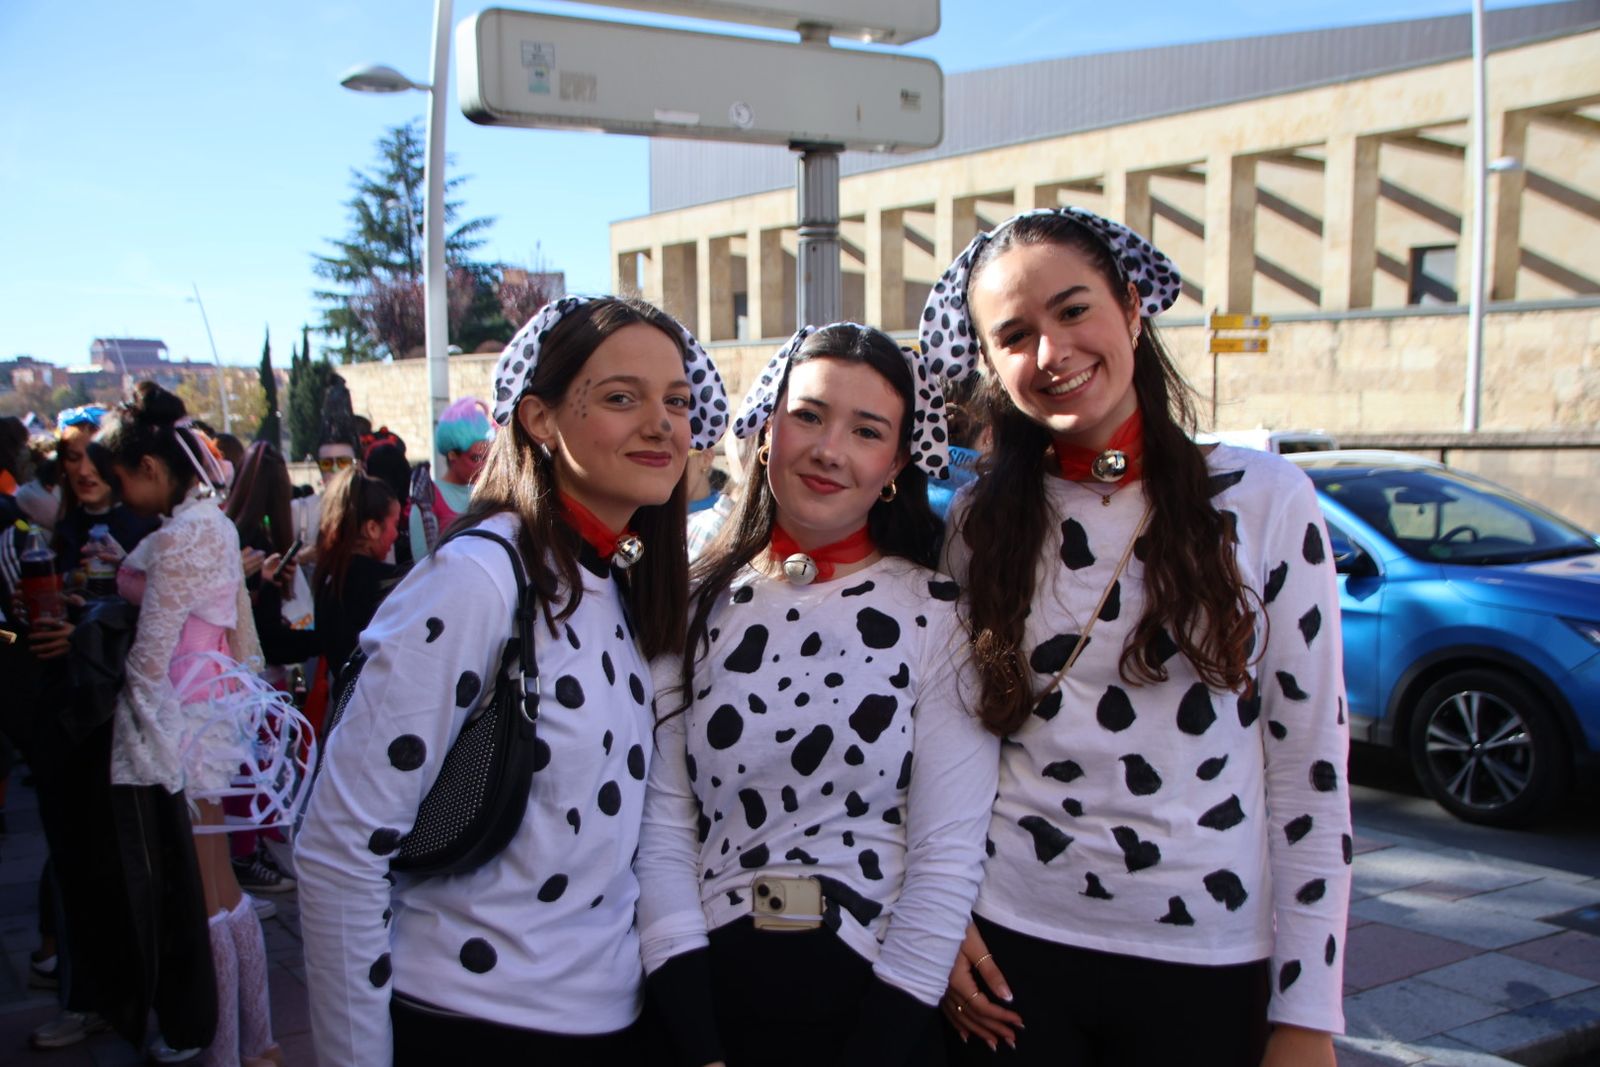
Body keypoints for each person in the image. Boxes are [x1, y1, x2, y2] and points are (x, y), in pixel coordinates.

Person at [921, 207, 1350, 1066]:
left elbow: (1310, 769)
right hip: (1012, 947)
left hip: (1206, 956)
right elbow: (954, 743)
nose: (1051, 353)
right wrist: (945, 919)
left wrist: (1307, 1011)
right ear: (991, 366)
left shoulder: (1266, 498)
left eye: (1073, 310)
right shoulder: (980, 520)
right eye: (1014, 335)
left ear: (1130, 307)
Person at [296, 296, 728, 1064]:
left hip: (609, 1021)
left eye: (678, 401)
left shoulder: (625, 585)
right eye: (623, 397)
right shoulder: (478, 580)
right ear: (538, 417)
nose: (662, 423)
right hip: (469, 1022)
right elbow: (340, 845)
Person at [637, 323, 997, 1067]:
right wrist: (700, 1046)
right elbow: (664, 832)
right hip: (707, 998)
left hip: (878, 1009)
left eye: (866, 431)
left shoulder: (938, 614)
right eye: (809, 415)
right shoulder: (690, 597)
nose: (829, 448)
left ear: (896, 463)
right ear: (768, 428)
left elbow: (945, 857)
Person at [101, 382, 290, 1066]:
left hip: (180, 718)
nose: (120, 493)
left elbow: (149, 659)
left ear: (152, 470)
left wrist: (136, 752)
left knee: (203, 894)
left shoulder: (182, 536)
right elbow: (241, 635)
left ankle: (223, 1047)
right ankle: (255, 1041)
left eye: (120, 480)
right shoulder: (214, 526)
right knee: (224, 890)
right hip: (216, 708)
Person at [312, 467, 400, 680]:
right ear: (372, 528)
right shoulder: (386, 582)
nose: (397, 534)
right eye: (394, 524)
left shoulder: (329, 574)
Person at [407, 397, 494, 560]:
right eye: (475, 458)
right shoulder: (427, 499)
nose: (484, 466)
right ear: (452, 455)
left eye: (487, 457)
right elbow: (422, 564)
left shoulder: (492, 493)